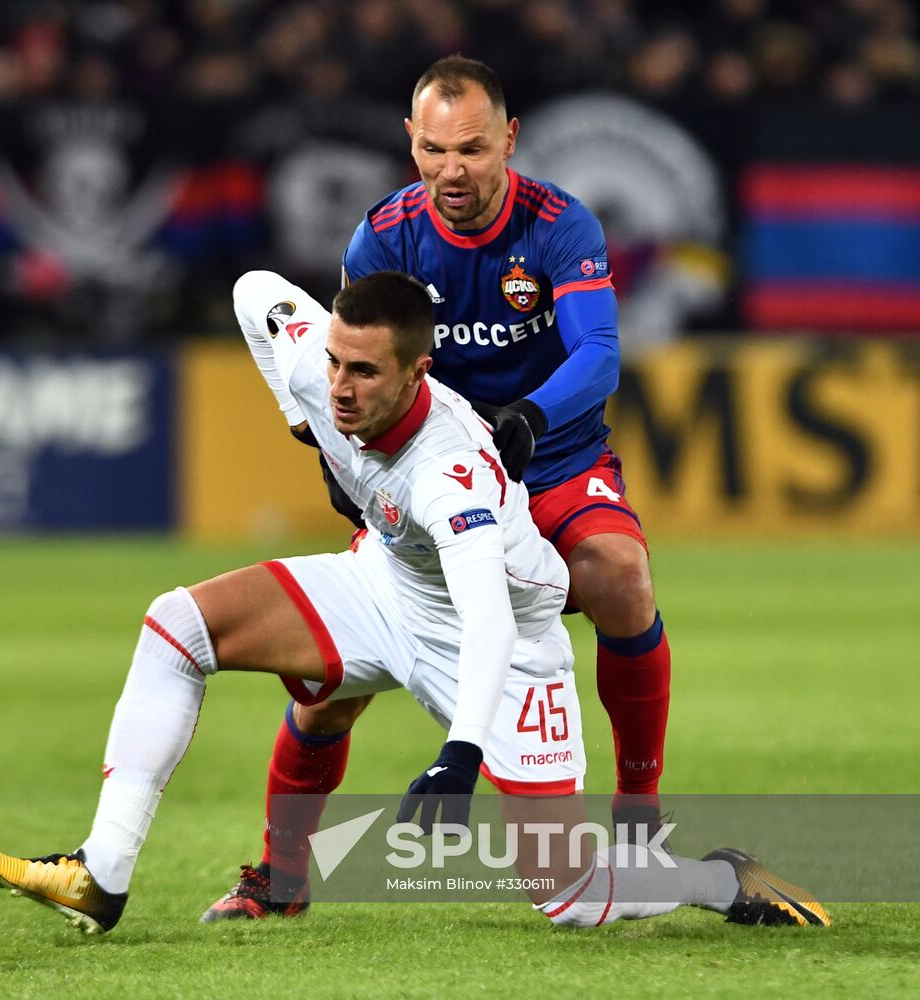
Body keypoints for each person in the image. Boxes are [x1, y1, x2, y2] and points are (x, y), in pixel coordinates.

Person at [0, 270, 828, 933]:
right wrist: (296, 416)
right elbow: (254, 293)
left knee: (567, 895)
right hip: (386, 583)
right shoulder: (319, 368)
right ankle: (103, 871)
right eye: (335, 363)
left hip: (505, 648)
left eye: (365, 373)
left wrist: (458, 756)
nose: (340, 387)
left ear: (418, 371)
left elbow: (489, 618)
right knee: (176, 624)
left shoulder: (455, 469)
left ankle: (719, 880)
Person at [203, 55, 677, 922]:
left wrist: (529, 417)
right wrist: (335, 461)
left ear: (509, 139)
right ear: (410, 144)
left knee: (620, 575)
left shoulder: (560, 227)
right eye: (432, 150)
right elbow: (353, 369)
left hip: (552, 459)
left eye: (471, 149)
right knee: (328, 693)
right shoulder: (381, 239)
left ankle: (640, 819)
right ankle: (281, 876)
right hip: (432, 480)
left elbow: (599, 354)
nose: (451, 171)